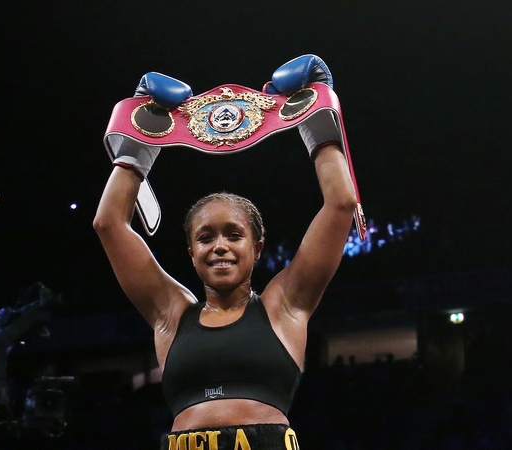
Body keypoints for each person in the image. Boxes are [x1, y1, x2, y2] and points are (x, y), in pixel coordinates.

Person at [94, 55, 357, 450]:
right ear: (191, 251)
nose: (219, 246)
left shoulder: (284, 305)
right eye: (206, 237)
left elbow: (340, 204)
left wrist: (317, 113)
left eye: (233, 235)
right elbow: (109, 224)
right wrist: (139, 138)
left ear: (257, 248)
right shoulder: (171, 313)